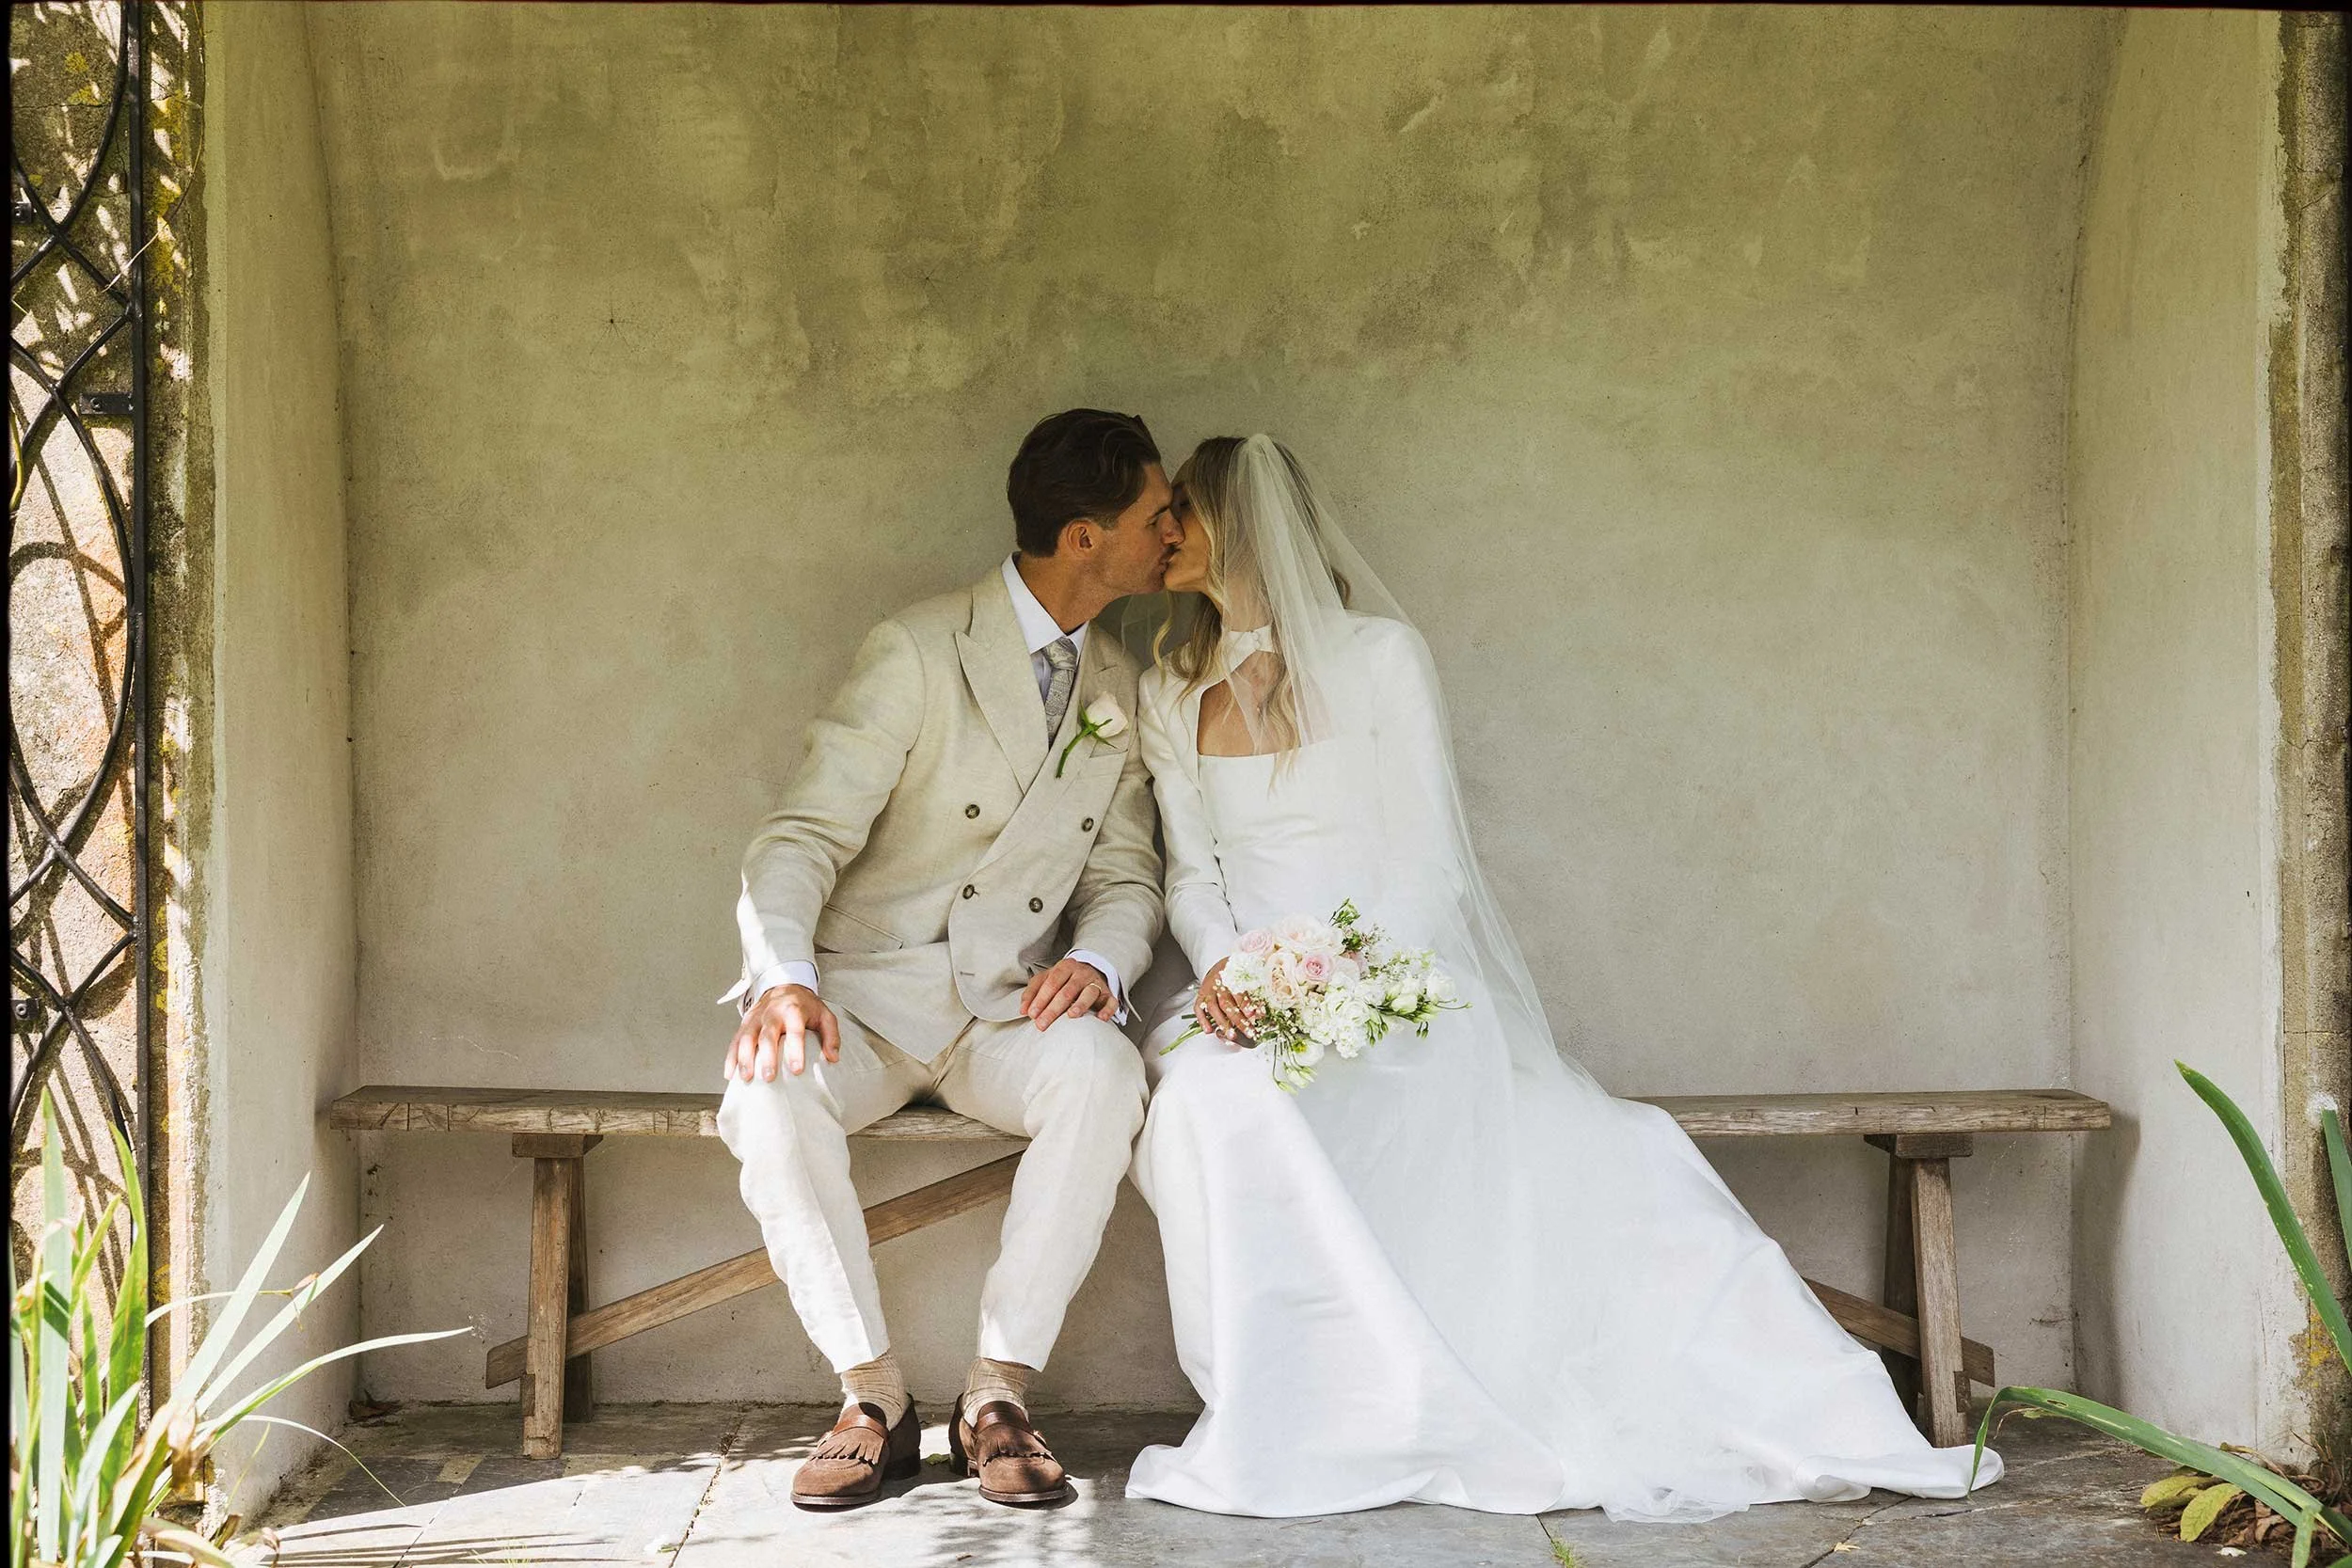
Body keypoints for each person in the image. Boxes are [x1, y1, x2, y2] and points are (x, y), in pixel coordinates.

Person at [1123, 434, 2004, 1520]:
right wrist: (1231, 971)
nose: (1160, 533)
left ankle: (1429, 1393)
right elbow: (1191, 871)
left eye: (1182, 514)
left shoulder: (1381, 657)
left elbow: (1428, 859)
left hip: (1392, 980)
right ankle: (1304, 1405)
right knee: (1214, 1099)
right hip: (1241, 998)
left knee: (1584, 1144)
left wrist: (1346, 979)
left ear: (1242, 523)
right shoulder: (1169, 692)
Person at [717, 409, 1176, 1512]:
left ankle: (997, 1391)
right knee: (765, 1089)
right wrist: (785, 978)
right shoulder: (920, 647)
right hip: (865, 1002)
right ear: (1083, 536)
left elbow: (1126, 875)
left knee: (1105, 1073)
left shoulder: (1118, 675)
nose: (1174, 532)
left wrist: (1106, 963)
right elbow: (797, 839)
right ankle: (869, 1394)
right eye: (1156, 514)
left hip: (1002, 1012)